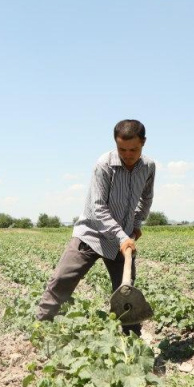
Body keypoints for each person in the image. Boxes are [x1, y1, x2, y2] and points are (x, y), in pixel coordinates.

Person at [36, 119, 156, 333]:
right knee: (62, 280)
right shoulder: (104, 165)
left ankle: (131, 341)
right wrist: (122, 236)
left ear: (143, 143)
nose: (128, 154)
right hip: (91, 234)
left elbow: (146, 198)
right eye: (122, 149)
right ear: (115, 144)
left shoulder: (148, 167)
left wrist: (136, 224)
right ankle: (41, 329)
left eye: (133, 149)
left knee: (126, 292)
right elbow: (98, 207)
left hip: (123, 239)